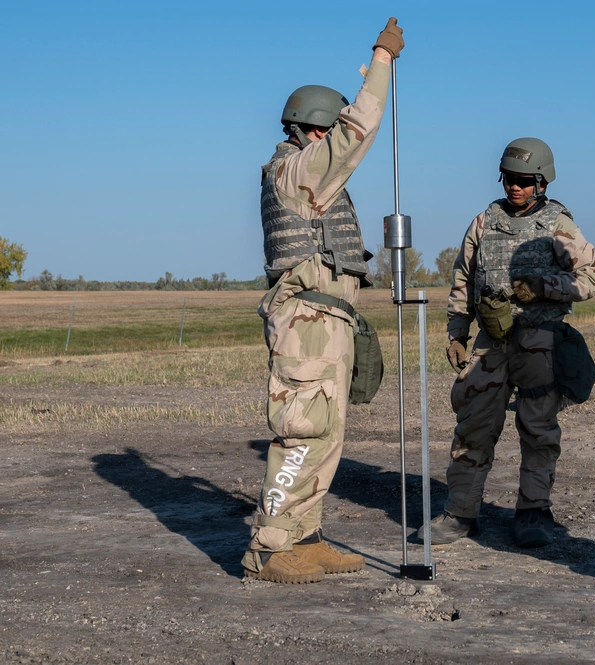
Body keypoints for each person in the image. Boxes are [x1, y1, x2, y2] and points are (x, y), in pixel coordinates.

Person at [241, 18, 404, 584]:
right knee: (302, 431)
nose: (336, 139)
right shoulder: (296, 171)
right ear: (315, 130)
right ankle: (270, 547)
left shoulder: (309, 174)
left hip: (326, 317)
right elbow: (357, 133)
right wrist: (381, 61)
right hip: (305, 319)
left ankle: (302, 537)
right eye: (329, 130)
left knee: (325, 433)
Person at [420, 138, 595, 548]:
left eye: (523, 181)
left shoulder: (558, 224)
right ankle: (460, 513)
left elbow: (593, 277)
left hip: (540, 342)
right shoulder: (485, 221)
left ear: (542, 183)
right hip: (491, 343)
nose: (514, 187)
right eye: (508, 179)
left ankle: (533, 513)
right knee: (473, 427)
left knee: (538, 430)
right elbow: (463, 279)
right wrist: (456, 332)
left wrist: (545, 286)